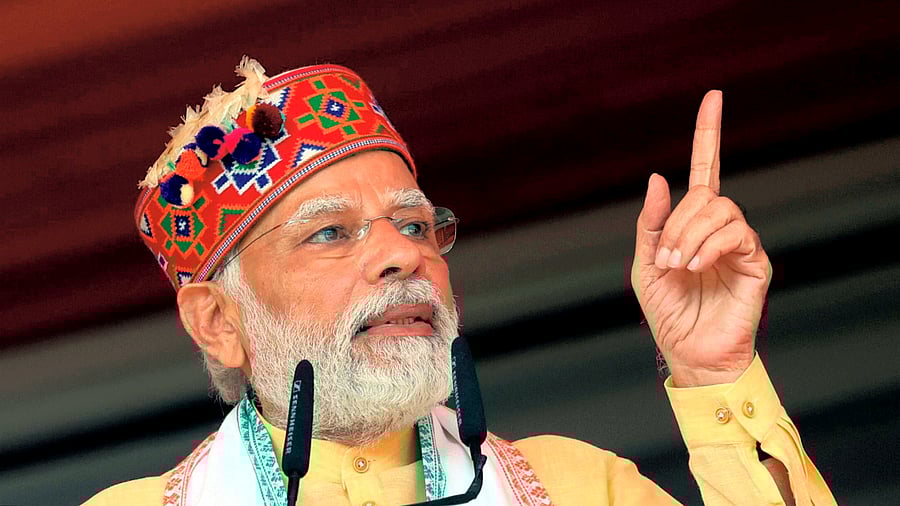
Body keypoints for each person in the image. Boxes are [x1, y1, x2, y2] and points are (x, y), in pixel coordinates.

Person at [84, 57, 836, 505]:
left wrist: (715, 374)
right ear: (218, 322)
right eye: (330, 232)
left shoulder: (574, 488)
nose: (401, 256)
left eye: (415, 225)